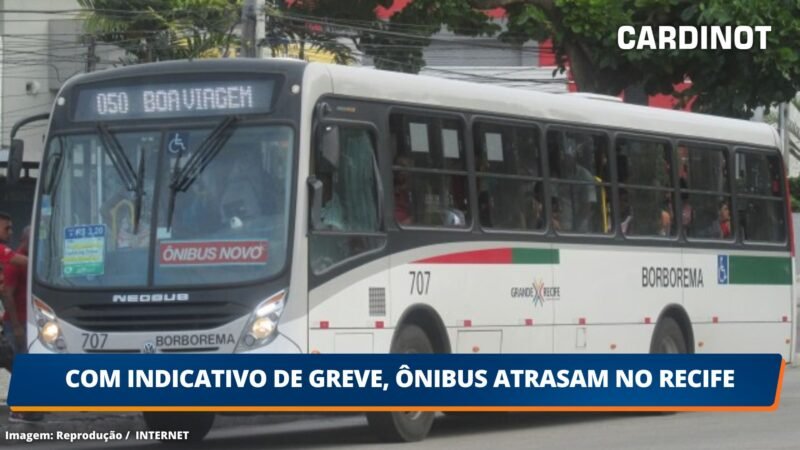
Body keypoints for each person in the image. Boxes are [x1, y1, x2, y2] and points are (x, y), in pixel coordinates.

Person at [1, 225, 43, 423]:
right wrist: (17, 326)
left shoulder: (32, 263)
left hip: (29, 323)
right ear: (28, 240)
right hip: (17, 324)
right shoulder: (15, 263)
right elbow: (7, 293)